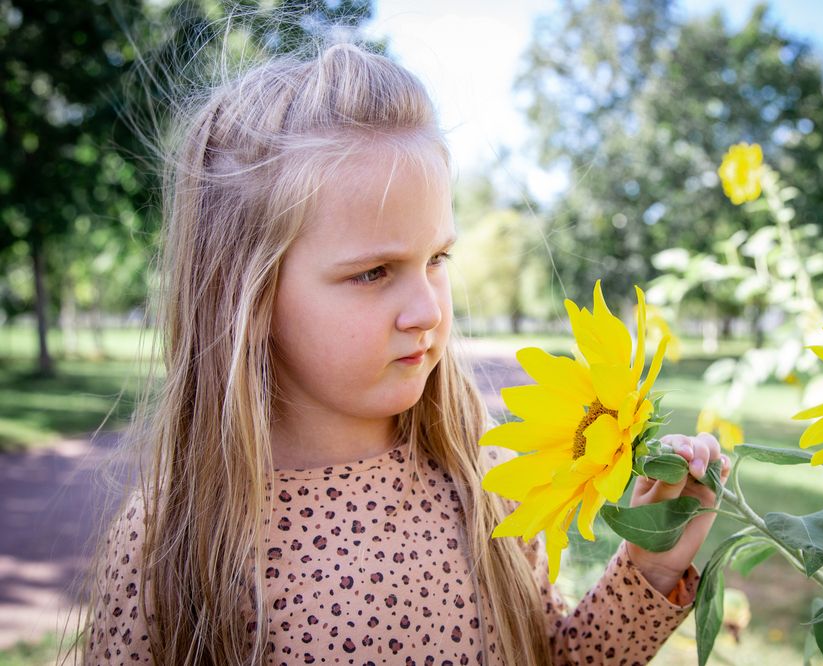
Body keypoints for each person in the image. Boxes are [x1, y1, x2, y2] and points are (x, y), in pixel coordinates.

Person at [80, 41, 729, 665]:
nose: (428, 311)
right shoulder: (167, 548)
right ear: (242, 296)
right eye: (373, 273)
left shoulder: (487, 484)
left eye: (436, 259)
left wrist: (650, 567)